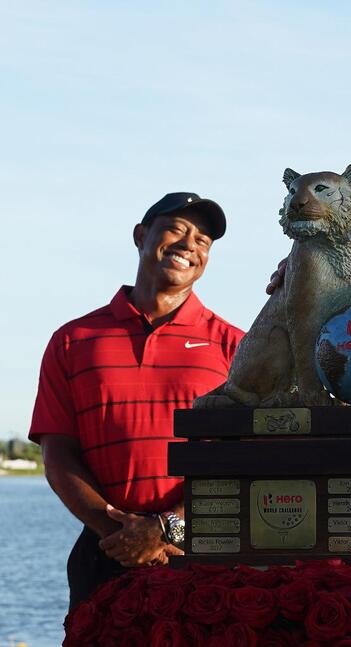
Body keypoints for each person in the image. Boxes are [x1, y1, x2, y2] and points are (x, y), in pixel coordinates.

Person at [29, 192, 244, 611]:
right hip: (105, 552)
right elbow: (59, 455)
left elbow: (245, 462)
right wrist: (123, 536)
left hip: (204, 551)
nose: (189, 245)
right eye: (176, 230)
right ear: (141, 236)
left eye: (203, 241)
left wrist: (167, 529)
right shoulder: (72, 340)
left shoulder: (235, 347)